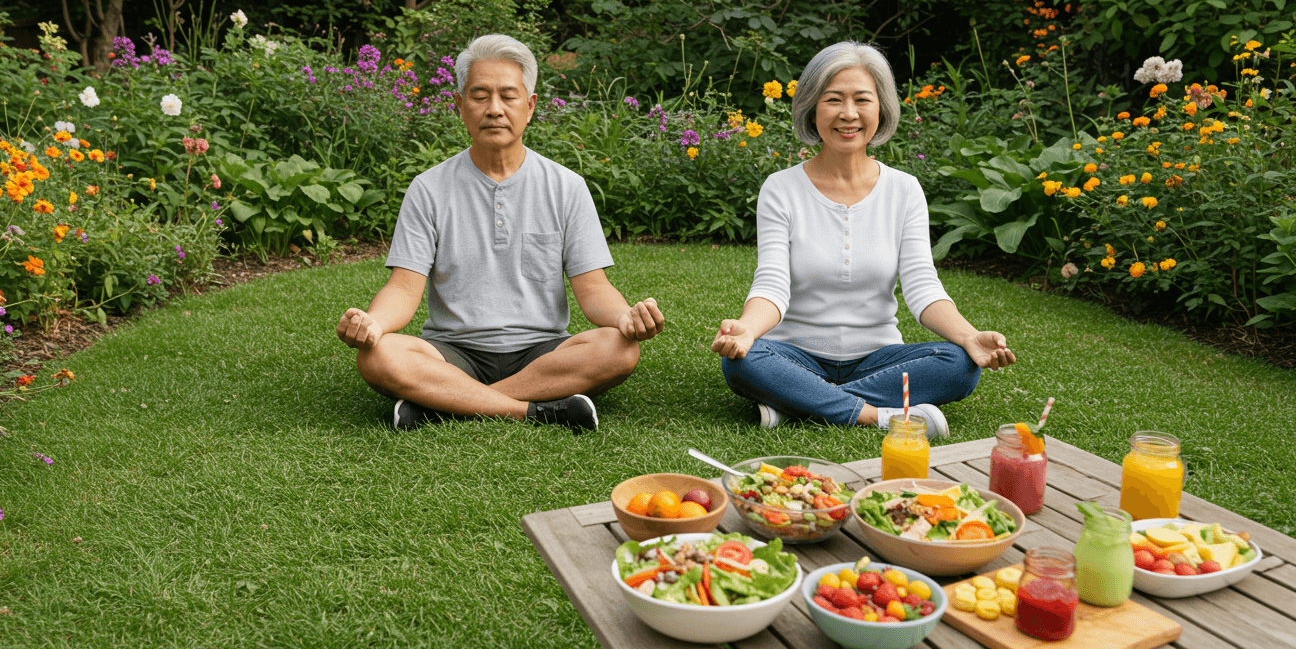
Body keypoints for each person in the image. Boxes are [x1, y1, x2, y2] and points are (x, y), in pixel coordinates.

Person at [337, 34, 664, 431]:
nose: (494, 109)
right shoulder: (428, 188)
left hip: (542, 352)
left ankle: (447, 401)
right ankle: (535, 410)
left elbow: (593, 289)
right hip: (452, 350)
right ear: (460, 106)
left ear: (530, 106)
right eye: (479, 96)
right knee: (377, 355)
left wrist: (625, 317)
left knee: (619, 349)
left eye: (508, 96)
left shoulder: (567, 186)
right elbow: (404, 289)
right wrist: (373, 323)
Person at [712, 41, 1016, 436]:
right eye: (833, 99)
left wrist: (969, 336)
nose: (848, 114)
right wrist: (749, 330)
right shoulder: (781, 188)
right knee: (744, 361)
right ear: (811, 106)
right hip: (793, 354)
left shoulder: (904, 190)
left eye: (862, 100)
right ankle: (878, 414)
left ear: (881, 108)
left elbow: (923, 286)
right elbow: (772, 283)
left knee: (960, 364)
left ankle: (799, 402)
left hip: (879, 358)